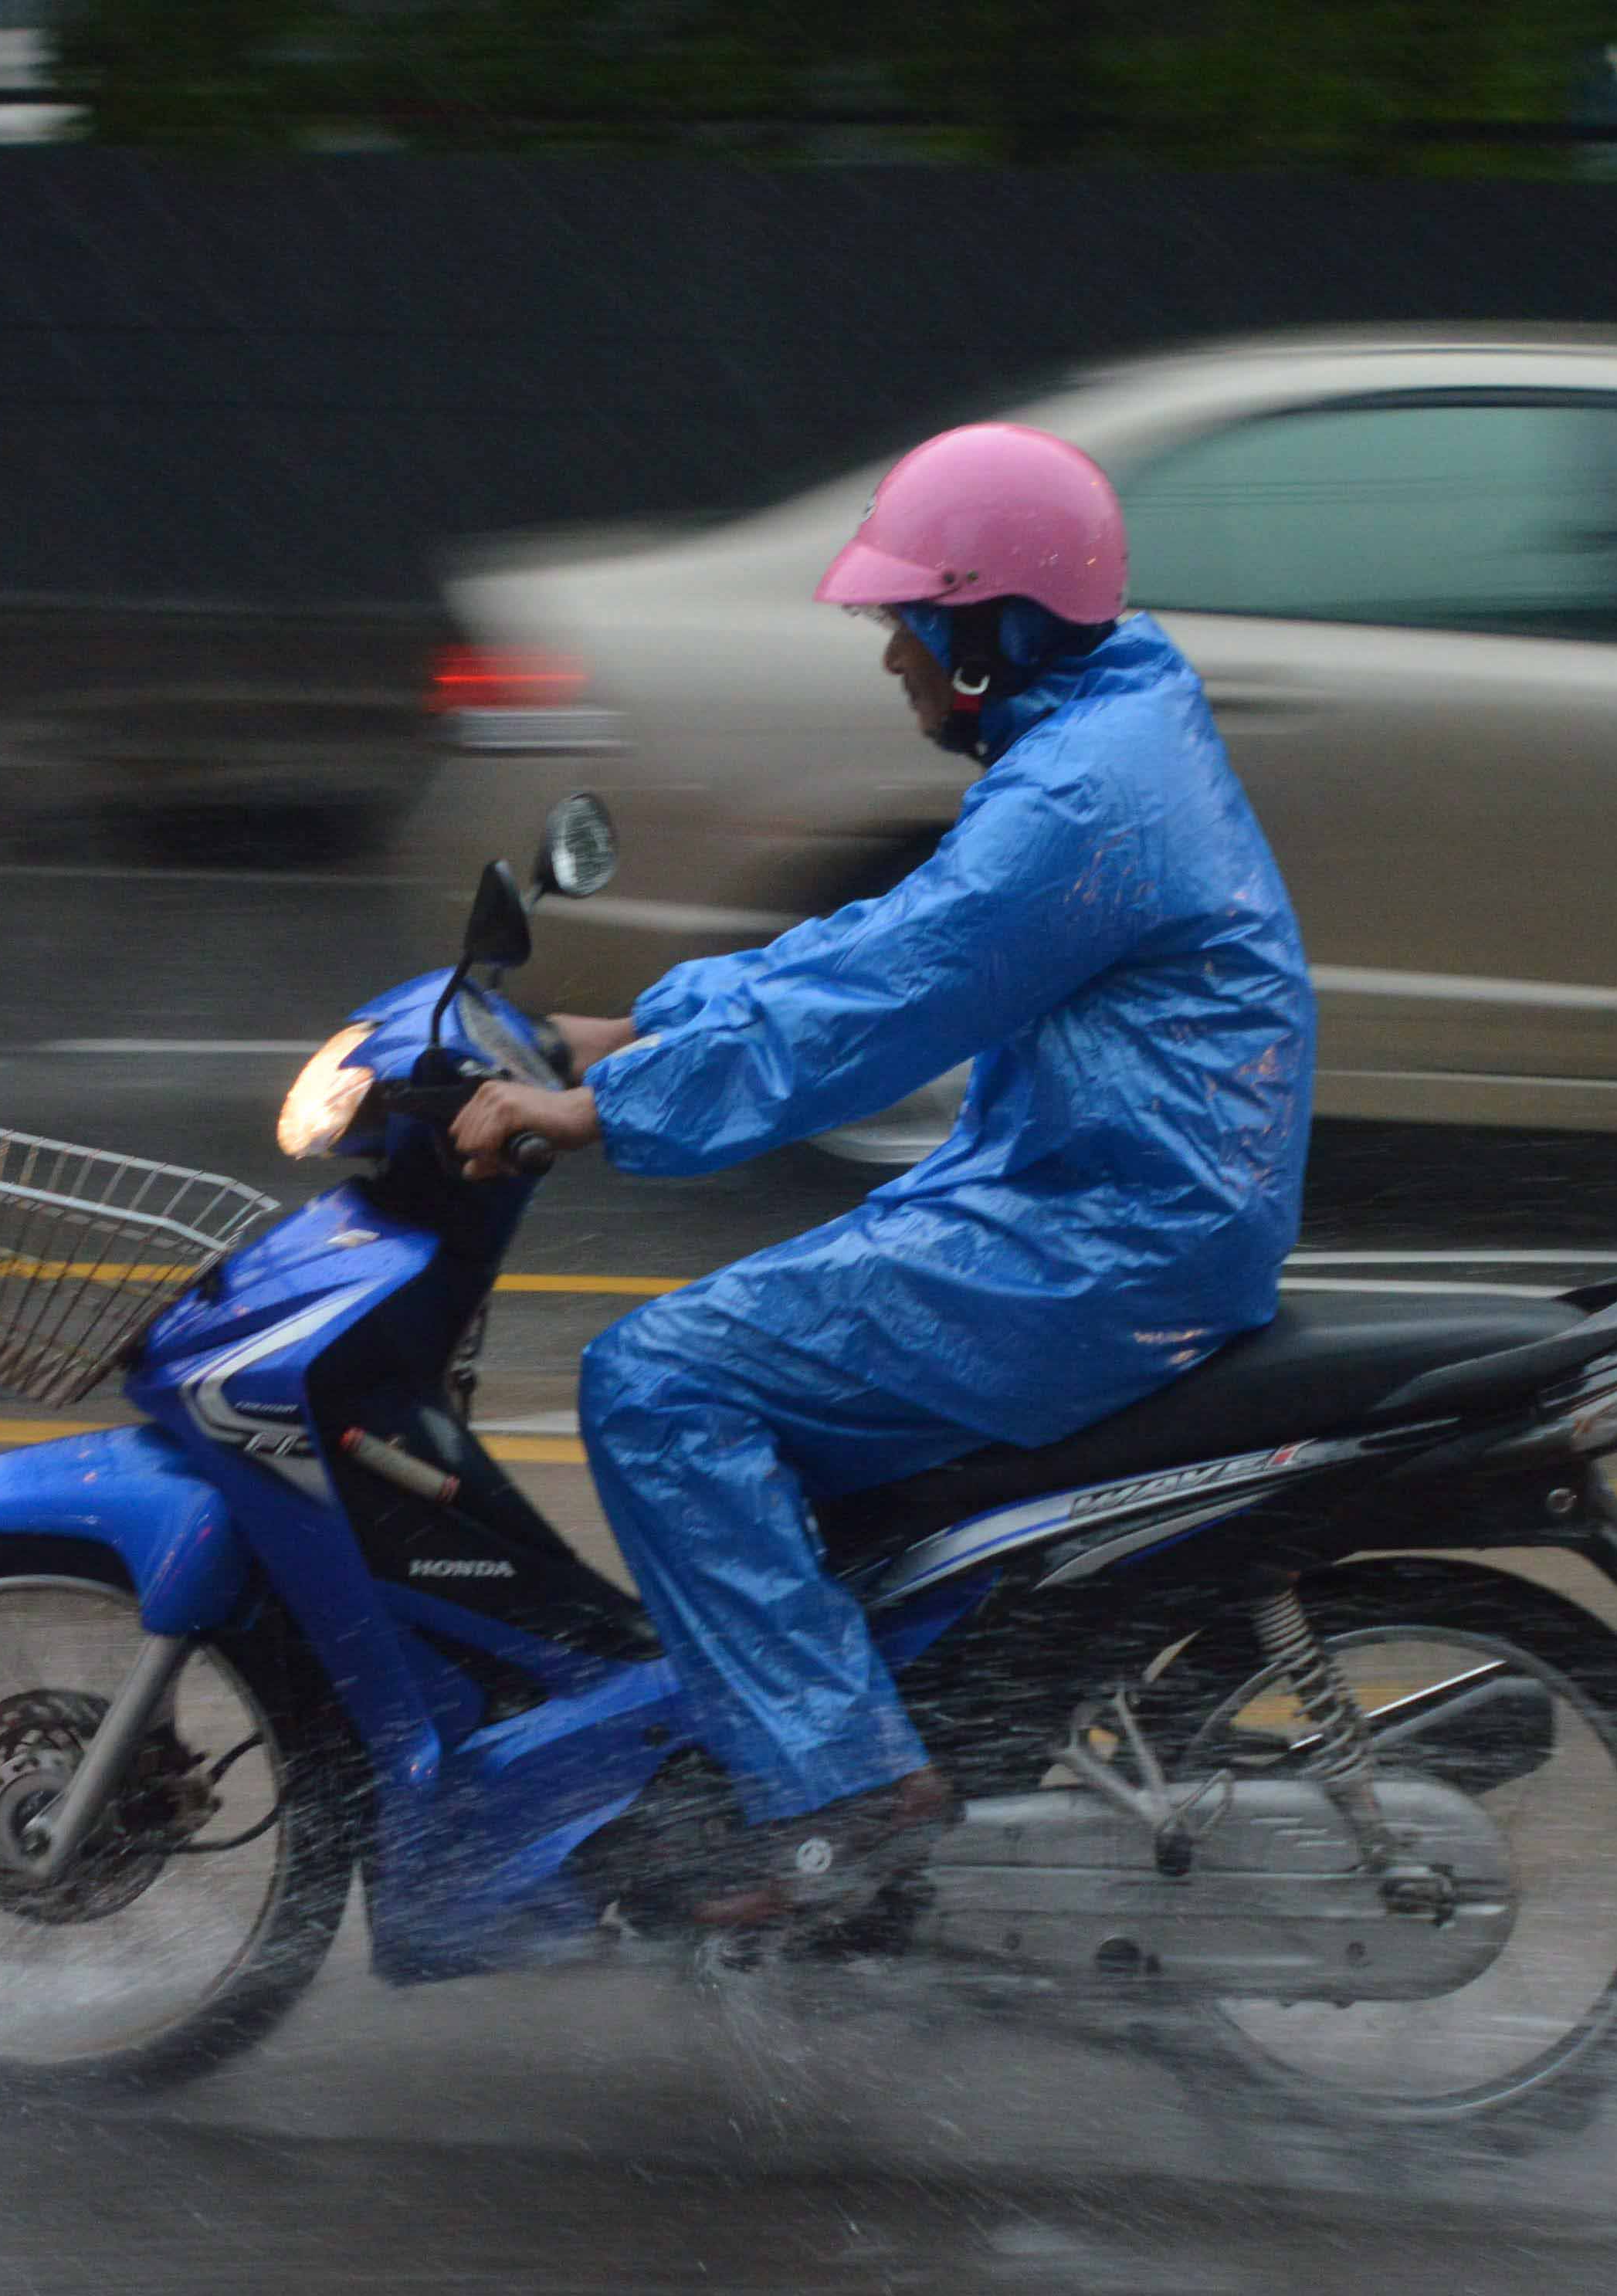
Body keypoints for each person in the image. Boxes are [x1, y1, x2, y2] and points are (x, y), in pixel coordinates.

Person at [449, 421, 1316, 1932]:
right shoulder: (1104, 725)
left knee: (658, 1384)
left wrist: (596, 1111)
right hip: (1094, 1198)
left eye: (907, 623)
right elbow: (886, 941)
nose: (891, 658)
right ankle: (866, 1717)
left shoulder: (1074, 802)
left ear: (988, 625)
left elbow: (885, 1000)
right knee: (763, 1372)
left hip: (1105, 1235)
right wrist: (642, 1018)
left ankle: (842, 1788)